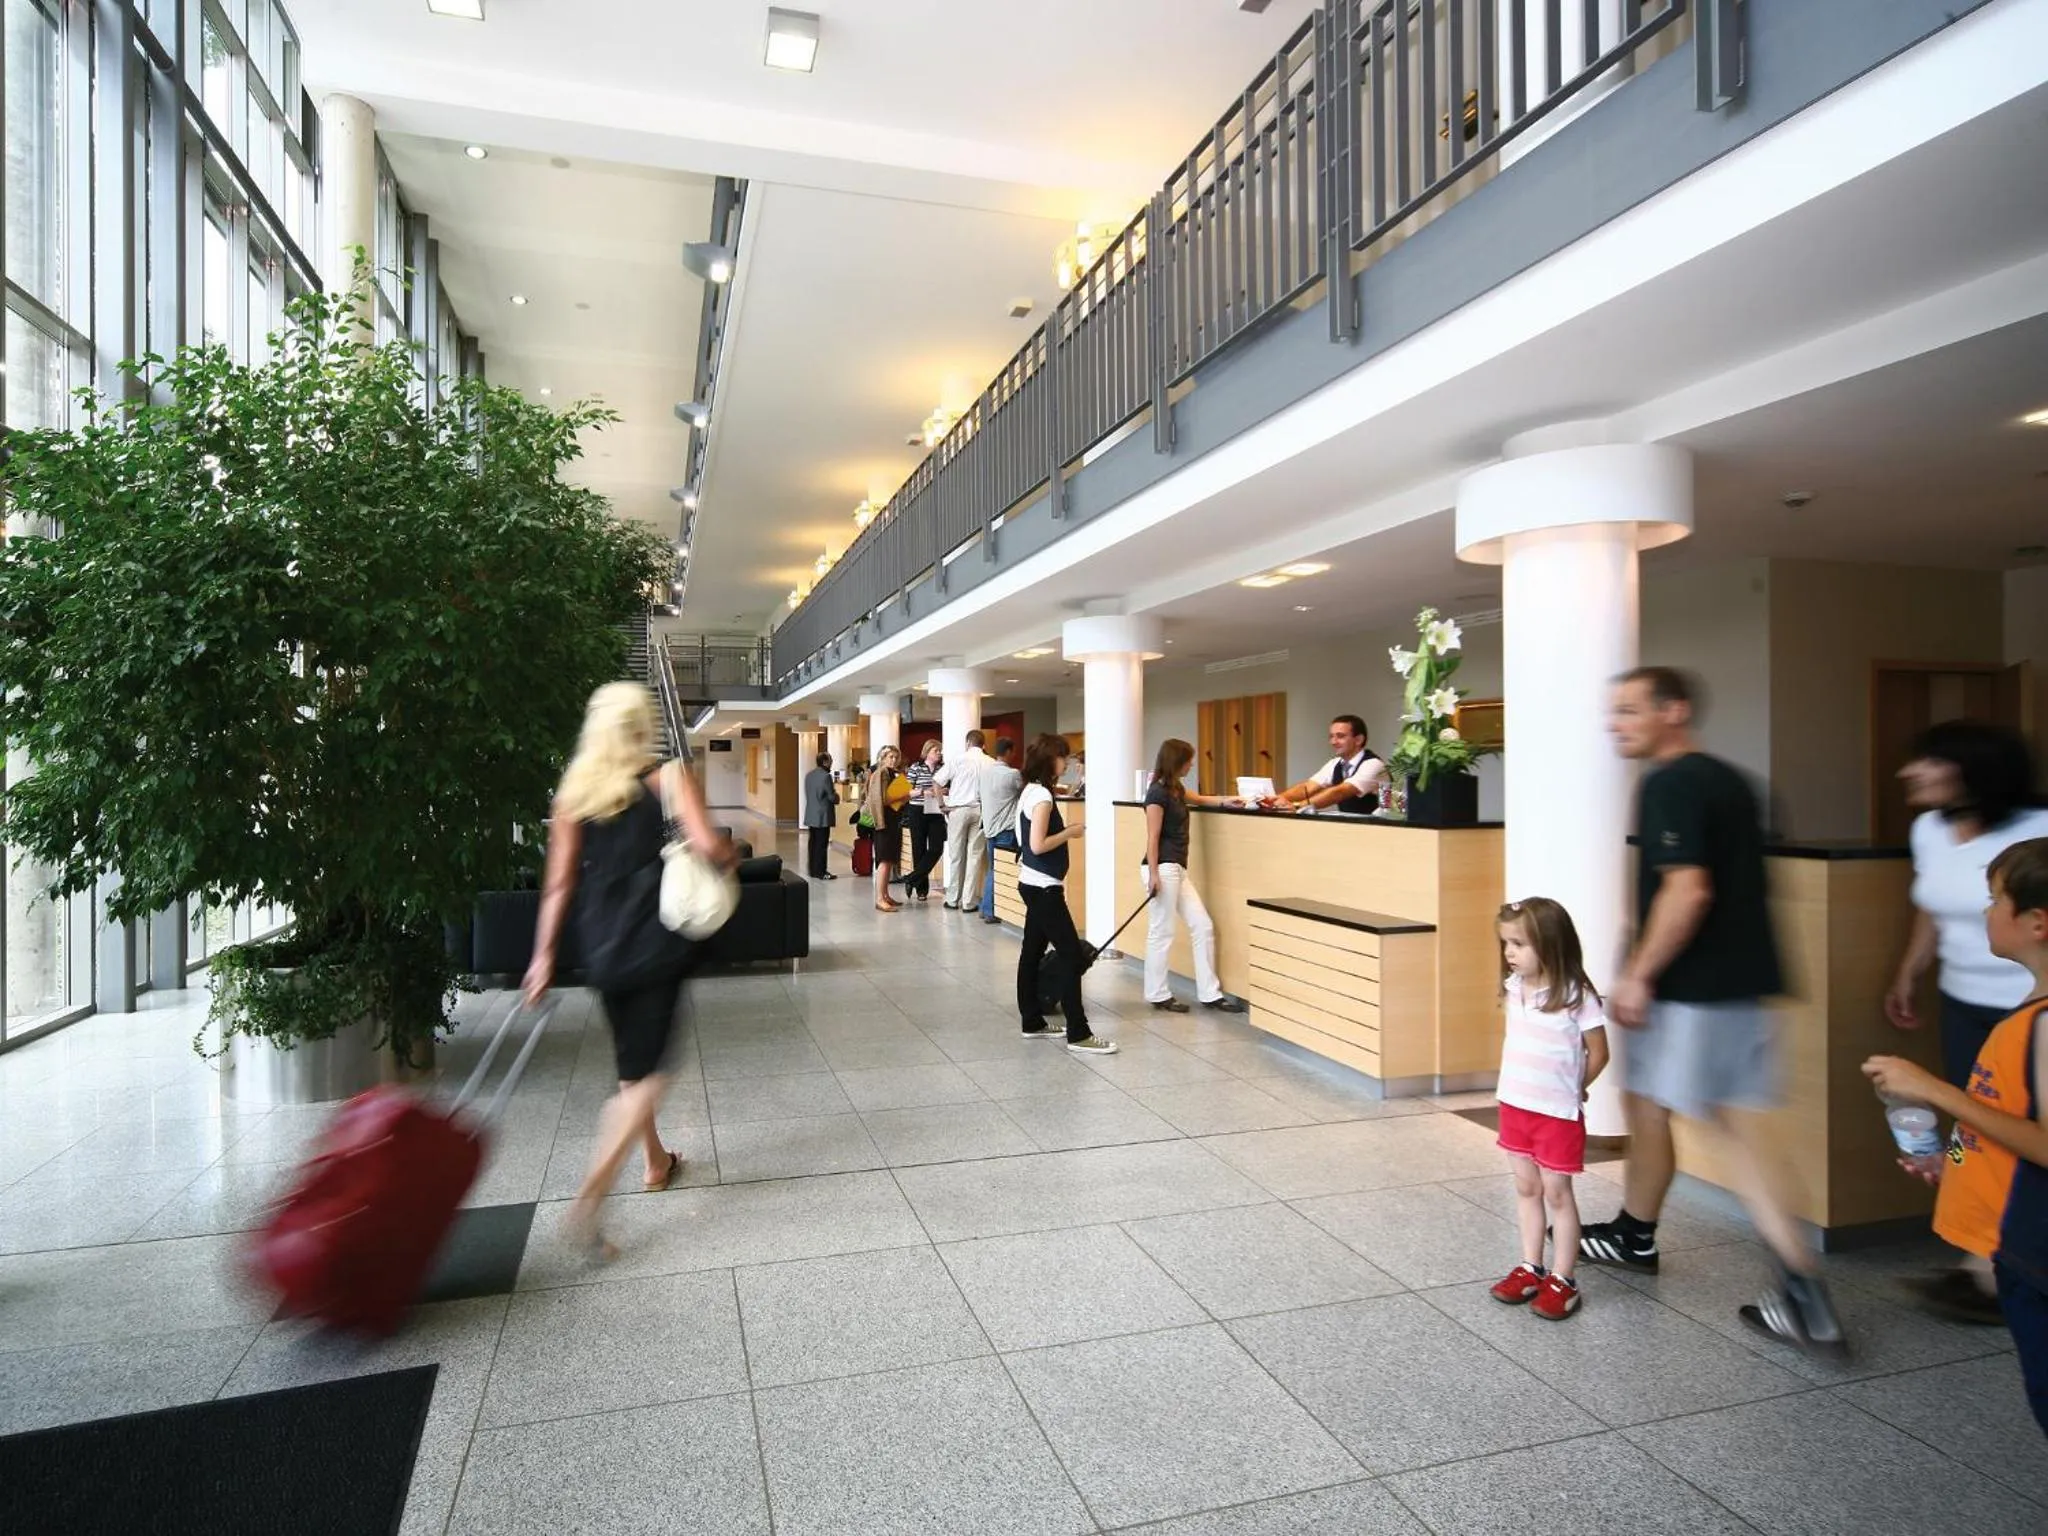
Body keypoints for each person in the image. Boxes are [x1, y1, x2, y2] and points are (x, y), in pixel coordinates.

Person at [1584, 666, 1847, 1355]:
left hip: (1695, 988)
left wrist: (1639, 975)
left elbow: (1689, 891)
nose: (1616, 723)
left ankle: (1803, 1288)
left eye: (1630, 710)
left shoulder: (1672, 783)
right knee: (1645, 1101)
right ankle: (1634, 1233)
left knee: (1732, 1128)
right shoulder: (1731, 780)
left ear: (1674, 711)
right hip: (1732, 981)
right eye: (1614, 711)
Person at [524, 682, 734, 1261]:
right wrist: (726, 857)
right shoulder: (668, 779)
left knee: (630, 1065)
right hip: (655, 943)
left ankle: (655, 1161)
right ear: (643, 728)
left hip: (601, 945)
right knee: (651, 1076)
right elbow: (709, 846)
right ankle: (589, 1202)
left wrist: (542, 957)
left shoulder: (573, 796)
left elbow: (558, 885)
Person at [1866, 837, 2048, 1438]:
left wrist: (1935, 1091)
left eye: (1995, 900)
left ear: (2037, 922)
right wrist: (1959, 1163)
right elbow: (2017, 1129)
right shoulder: (2028, 1013)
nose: (1986, 913)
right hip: (2017, 1249)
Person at [1884, 722, 2048, 1322]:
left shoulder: (2037, 831)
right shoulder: (1929, 830)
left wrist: (1928, 1090)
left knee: (2012, 1128)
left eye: (1928, 761)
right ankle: (1983, 1263)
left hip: (2025, 1004)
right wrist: (1910, 971)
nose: (1909, 772)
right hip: (1964, 1001)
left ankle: (1999, 1266)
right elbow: (1930, 908)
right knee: (1976, 1128)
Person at [1487, 898, 1610, 1322]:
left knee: (1557, 1192)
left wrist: (1575, 1088)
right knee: (1526, 1187)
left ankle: (1563, 1278)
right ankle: (1531, 1266)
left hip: (1556, 1114)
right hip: (1515, 1104)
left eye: (1519, 944)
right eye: (1506, 943)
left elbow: (1599, 1053)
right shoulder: (1513, 987)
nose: (1509, 953)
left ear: (1552, 944)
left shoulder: (1577, 996)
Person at [1016, 734, 1117, 1055]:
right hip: (1044, 888)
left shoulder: (1030, 790)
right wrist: (1070, 832)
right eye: (1063, 758)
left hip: (1032, 882)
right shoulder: (1042, 797)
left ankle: (1032, 1021)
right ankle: (1079, 1032)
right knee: (1072, 957)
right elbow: (1037, 845)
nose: (1067, 764)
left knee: (1032, 952)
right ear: (1050, 760)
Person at [1142, 738, 1248, 1014]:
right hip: (1162, 867)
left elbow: (1200, 800)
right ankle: (1157, 993)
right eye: (1189, 760)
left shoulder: (1175, 788)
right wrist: (1153, 874)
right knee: (1161, 931)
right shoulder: (1156, 794)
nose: (1191, 765)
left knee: (1202, 925)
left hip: (1178, 868)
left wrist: (1227, 801)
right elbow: (1152, 837)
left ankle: (1210, 994)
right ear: (1176, 761)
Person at [1260, 715, 1387, 814]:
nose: (1333, 742)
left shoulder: (1374, 764)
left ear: (1358, 739)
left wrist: (1297, 806)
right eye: (1331, 736)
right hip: (1351, 827)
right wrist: (1275, 799)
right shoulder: (1335, 763)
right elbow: (1307, 787)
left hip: (1378, 829)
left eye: (1340, 736)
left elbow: (1341, 792)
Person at [936, 729, 989, 912]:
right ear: (984, 745)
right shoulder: (989, 762)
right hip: (980, 810)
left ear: (967, 743)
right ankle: (968, 902)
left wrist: (941, 805)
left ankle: (952, 899)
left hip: (957, 810)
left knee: (956, 856)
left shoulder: (957, 759)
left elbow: (937, 782)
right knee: (974, 857)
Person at [979, 736, 1023, 925]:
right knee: (1001, 869)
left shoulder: (985, 773)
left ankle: (985, 907)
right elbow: (1024, 792)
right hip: (1007, 827)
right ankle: (990, 909)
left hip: (990, 827)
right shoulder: (1012, 774)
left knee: (993, 868)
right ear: (1008, 751)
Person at [862, 744, 910, 912]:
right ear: (882, 758)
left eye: (896, 757)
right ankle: (880, 898)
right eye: (890, 757)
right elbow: (882, 799)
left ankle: (885, 895)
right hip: (883, 823)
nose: (894, 760)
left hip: (891, 820)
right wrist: (904, 795)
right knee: (884, 861)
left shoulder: (890, 773)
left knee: (889, 860)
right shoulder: (881, 773)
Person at [903, 739, 946, 902]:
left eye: (940, 751)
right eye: (936, 751)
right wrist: (922, 791)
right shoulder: (916, 767)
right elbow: (907, 791)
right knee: (918, 849)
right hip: (917, 810)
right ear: (927, 752)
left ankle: (911, 878)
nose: (939, 754)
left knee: (937, 848)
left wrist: (942, 791)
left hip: (936, 811)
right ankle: (921, 890)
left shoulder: (943, 769)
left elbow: (948, 787)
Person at [801, 751, 839, 882]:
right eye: (830, 761)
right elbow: (831, 797)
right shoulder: (826, 777)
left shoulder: (809, 775)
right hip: (822, 816)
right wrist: (837, 796)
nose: (831, 763)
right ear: (825, 762)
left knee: (813, 843)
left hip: (811, 814)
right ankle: (821, 872)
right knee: (822, 845)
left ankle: (812, 870)